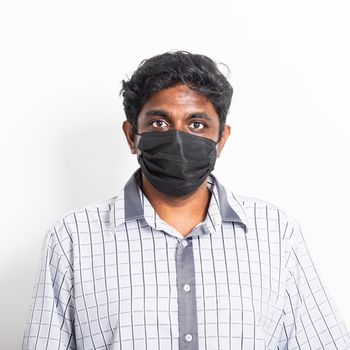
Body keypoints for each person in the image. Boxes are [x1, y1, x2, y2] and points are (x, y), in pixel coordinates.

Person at [22, 51, 350, 350]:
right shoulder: (73, 238)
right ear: (131, 135)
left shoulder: (276, 234)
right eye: (159, 122)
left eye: (196, 124)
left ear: (221, 139)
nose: (178, 138)